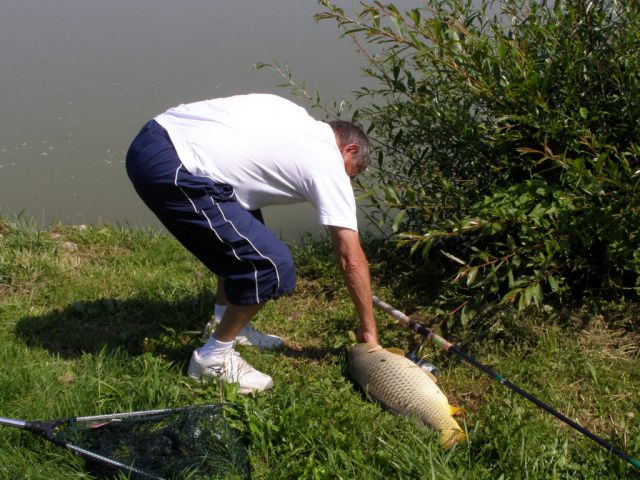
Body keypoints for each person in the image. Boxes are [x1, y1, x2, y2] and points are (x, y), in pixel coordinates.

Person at [126, 93, 378, 394]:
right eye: (351, 172)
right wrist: (369, 331)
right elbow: (351, 257)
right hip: (172, 167)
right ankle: (212, 359)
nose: (345, 181)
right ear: (348, 149)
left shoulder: (291, 114)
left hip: (154, 136)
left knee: (244, 231)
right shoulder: (327, 161)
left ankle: (226, 321)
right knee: (270, 264)